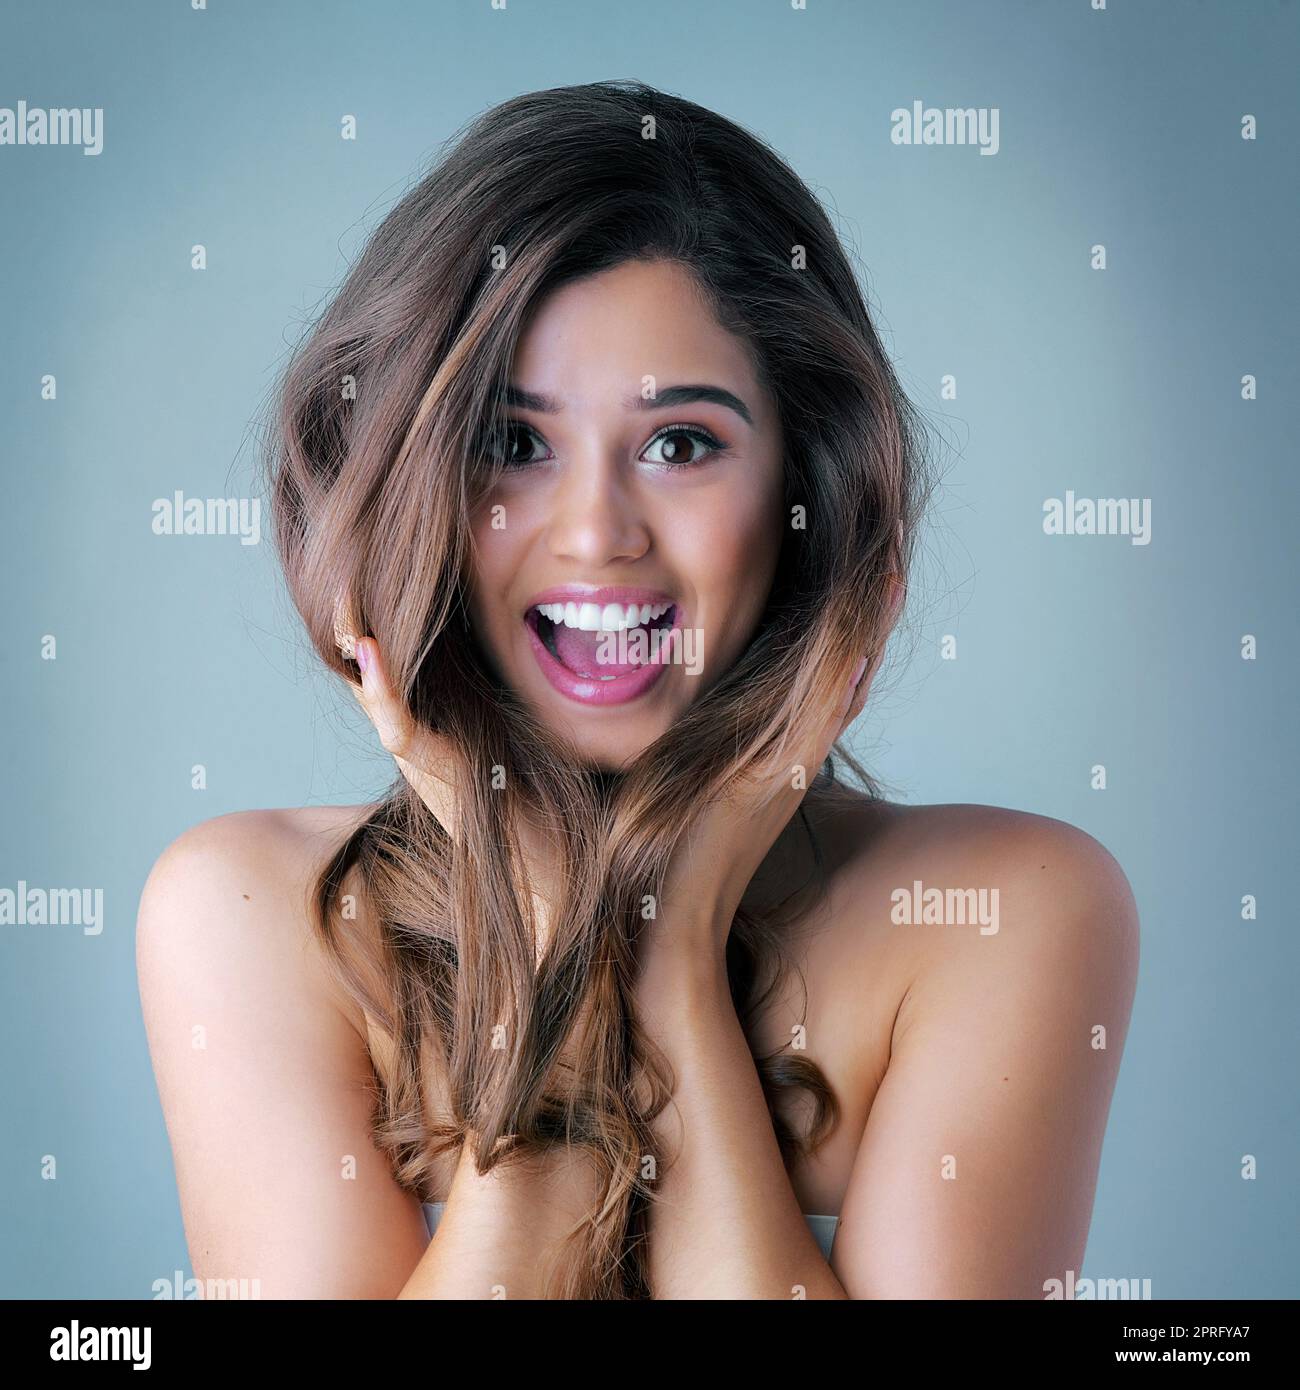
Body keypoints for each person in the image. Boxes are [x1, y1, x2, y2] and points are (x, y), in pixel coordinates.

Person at [137, 80, 1139, 1300]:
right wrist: (558, 936)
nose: (596, 531)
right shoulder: (247, 913)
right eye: (513, 444)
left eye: (680, 444)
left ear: (803, 491)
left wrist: (670, 955)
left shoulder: (1004, 911)